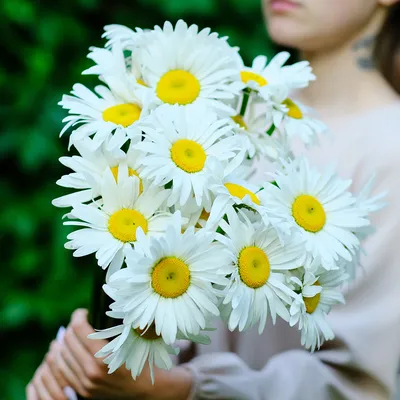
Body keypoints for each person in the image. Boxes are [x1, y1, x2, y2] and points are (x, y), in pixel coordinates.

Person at [27, 0, 400, 398]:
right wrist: (92, 361)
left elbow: (360, 385)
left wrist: (188, 388)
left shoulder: (389, 150)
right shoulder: (230, 111)